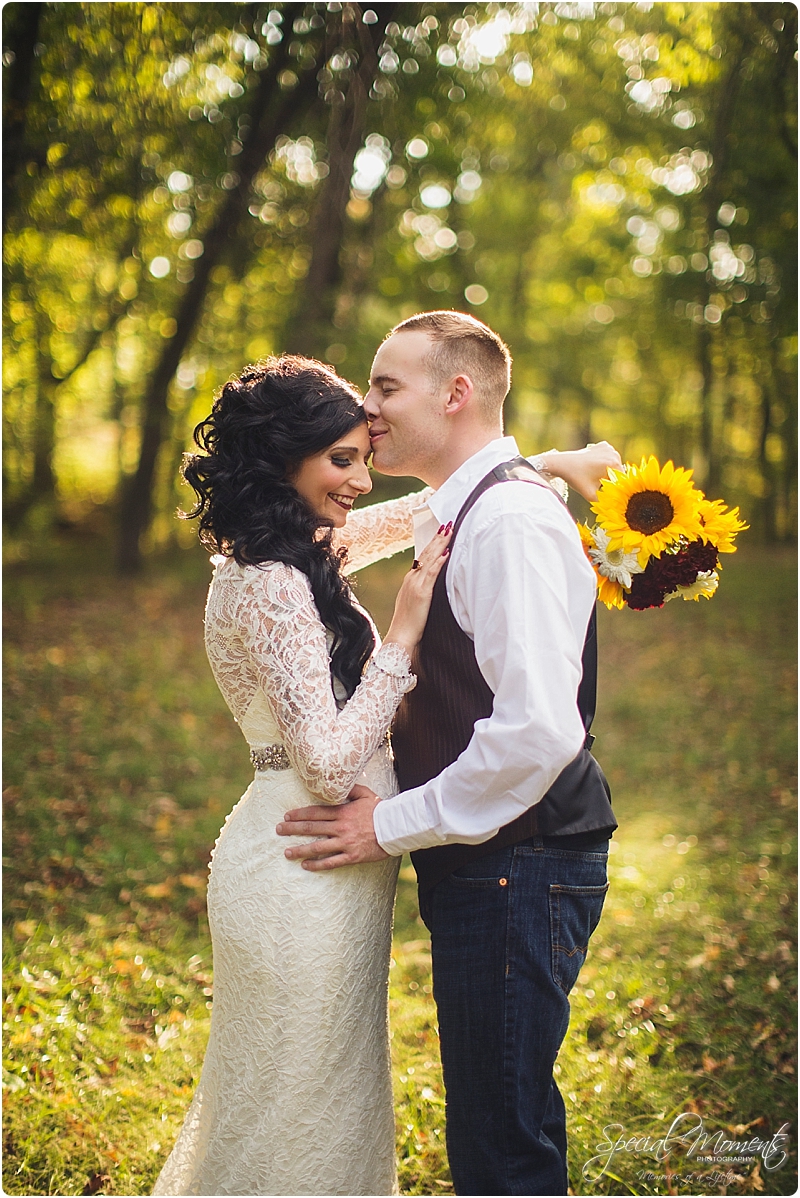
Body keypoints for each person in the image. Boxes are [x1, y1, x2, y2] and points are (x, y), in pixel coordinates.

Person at [152, 353, 609, 1196]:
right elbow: (326, 766)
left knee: (326, 1092)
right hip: (308, 857)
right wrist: (399, 639)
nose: (361, 480)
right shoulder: (274, 582)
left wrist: (546, 466)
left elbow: (427, 512)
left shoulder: (291, 549)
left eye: (364, 456)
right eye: (342, 459)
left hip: (324, 862)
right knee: (294, 1097)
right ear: (282, 457)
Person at [277, 312, 620, 1196]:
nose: (368, 407)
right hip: (497, 860)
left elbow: (541, 728)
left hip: (522, 860)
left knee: (500, 1144)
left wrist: (390, 825)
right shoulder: (475, 503)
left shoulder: (505, 521)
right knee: (499, 1118)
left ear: (456, 392)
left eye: (387, 386)